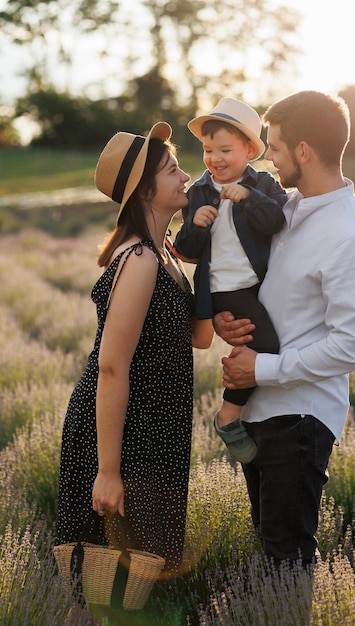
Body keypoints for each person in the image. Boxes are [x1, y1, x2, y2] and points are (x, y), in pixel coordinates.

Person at [214, 90, 355, 570]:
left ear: (304, 151)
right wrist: (233, 320)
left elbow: (354, 345)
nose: (268, 156)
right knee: (270, 549)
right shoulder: (285, 207)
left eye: (274, 145)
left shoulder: (352, 235)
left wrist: (262, 366)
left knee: (286, 560)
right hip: (262, 410)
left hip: (300, 420)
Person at [56, 122, 214, 595]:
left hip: (154, 434)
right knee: (105, 588)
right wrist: (108, 471)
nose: (185, 176)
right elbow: (111, 366)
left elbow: (199, 339)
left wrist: (213, 251)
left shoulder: (163, 253)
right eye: (172, 170)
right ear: (146, 190)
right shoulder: (140, 260)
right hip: (123, 439)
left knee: (137, 581)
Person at [175, 97, 287, 464]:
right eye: (208, 150)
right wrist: (195, 224)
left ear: (249, 150)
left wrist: (250, 197)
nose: (214, 158)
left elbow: (276, 221)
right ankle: (229, 414)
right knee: (266, 346)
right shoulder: (199, 193)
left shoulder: (264, 184)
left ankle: (241, 411)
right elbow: (184, 248)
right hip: (223, 291)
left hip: (257, 286)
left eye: (225, 149)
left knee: (258, 344)